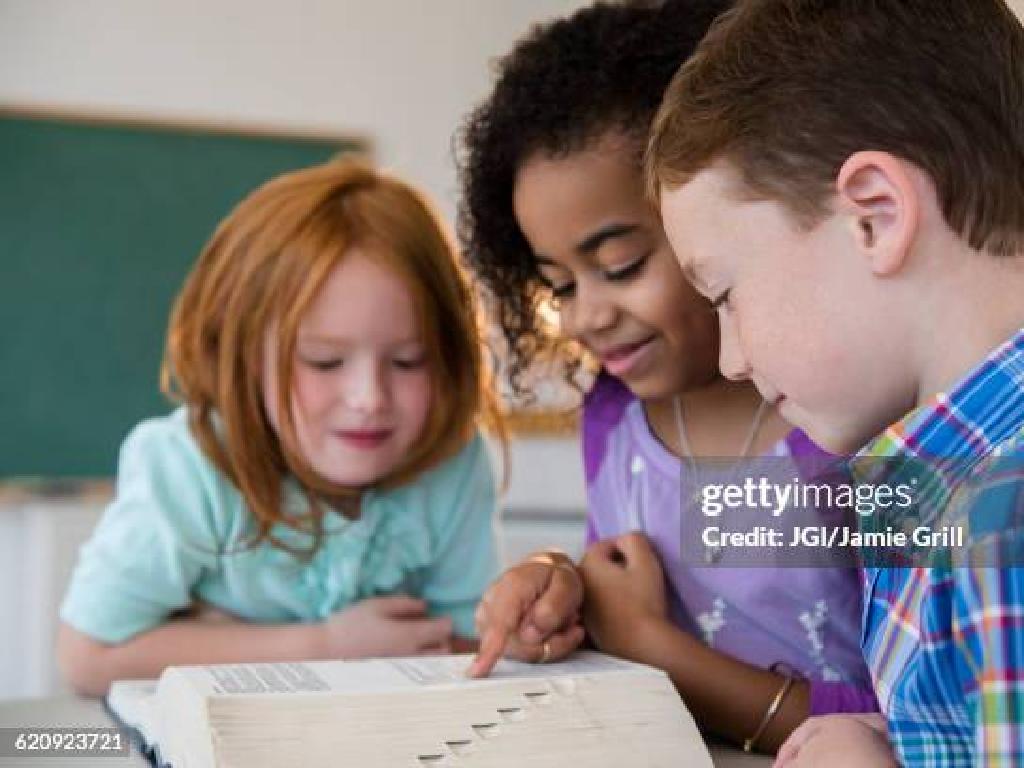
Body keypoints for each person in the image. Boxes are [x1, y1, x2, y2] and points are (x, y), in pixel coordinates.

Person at [458, 0, 875, 754]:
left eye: (620, 266)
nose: (587, 316)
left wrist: (658, 652)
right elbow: (614, 584)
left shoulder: (847, 420)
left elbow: (919, 719)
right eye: (559, 284)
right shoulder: (613, 417)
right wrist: (558, 584)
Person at [647, 0, 1024, 765]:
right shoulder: (940, 483)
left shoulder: (1002, 521)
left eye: (724, 295)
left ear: (875, 218)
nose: (729, 359)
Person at [57, 159, 502, 697]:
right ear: (244, 357)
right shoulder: (190, 468)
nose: (369, 400)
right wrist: (327, 648)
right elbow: (87, 658)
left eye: (409, 361)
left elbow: (466, 640)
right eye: (323, 361)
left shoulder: (448, 464)